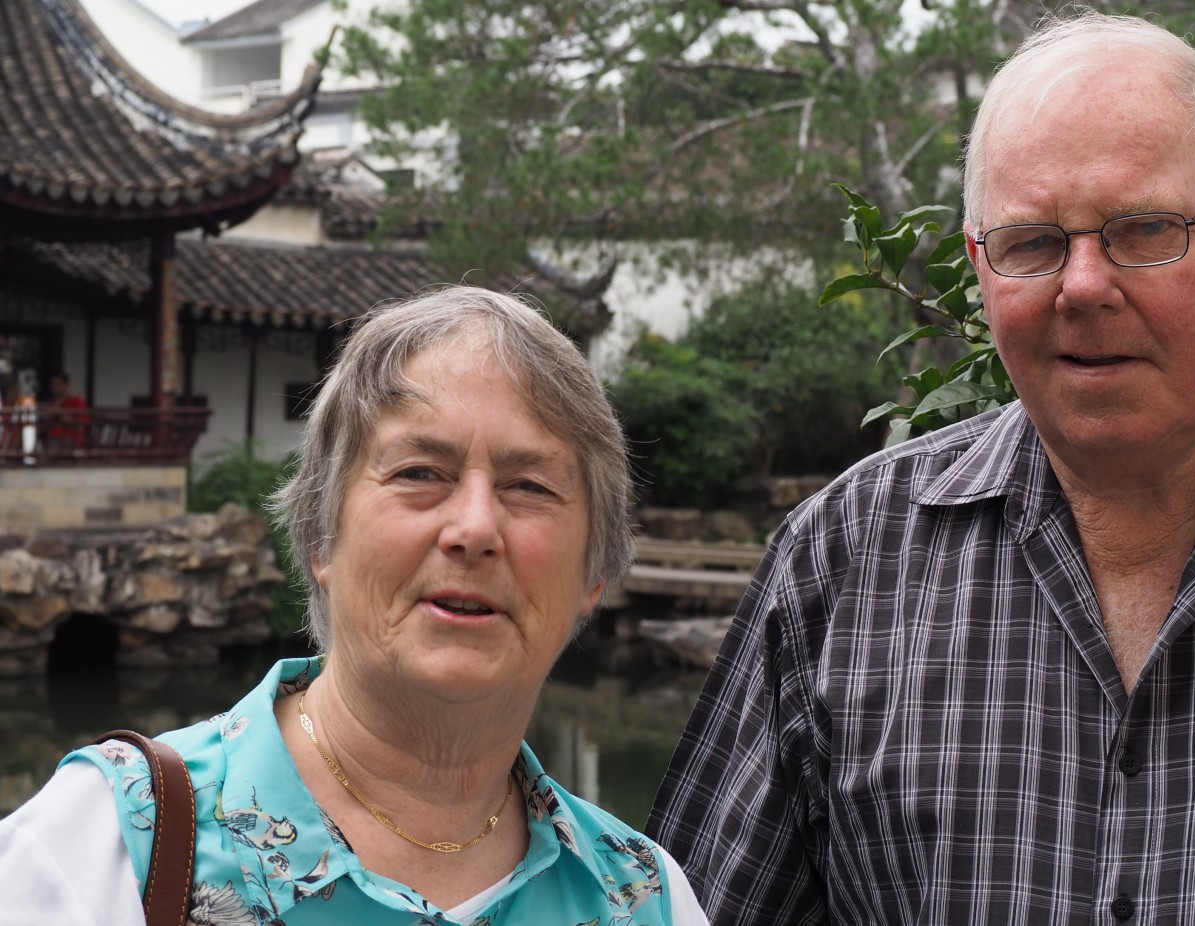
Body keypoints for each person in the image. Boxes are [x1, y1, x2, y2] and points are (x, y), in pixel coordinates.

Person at [647, 11, 1195, 924]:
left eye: (1141, 229)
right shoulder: (838, 566)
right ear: (979, 271)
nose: (1080, 286)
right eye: (1030, 243)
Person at [0, 287, 710, 925]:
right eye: (419, 473)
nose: (474, 530)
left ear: (596, 571)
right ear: (320, 536)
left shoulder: (645, 897)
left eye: (529, 486)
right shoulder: (108, 849)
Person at [43, 370, 89, 451]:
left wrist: (61, 414)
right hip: (52, 439)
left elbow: (81, 426)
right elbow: (43, 426)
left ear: (66, 385)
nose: (55, 388)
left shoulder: (77, 400)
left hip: (71, 439)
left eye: (58, 384)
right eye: (53, 385)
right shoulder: (51, 402)